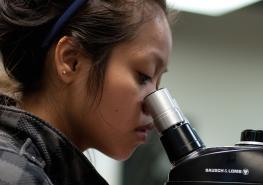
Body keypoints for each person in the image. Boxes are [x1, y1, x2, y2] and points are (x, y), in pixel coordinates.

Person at [0, 0, 172, 184]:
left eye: (157, 84)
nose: (154, 107)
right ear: (71, 60)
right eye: (144, 76)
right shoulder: (12, 174)